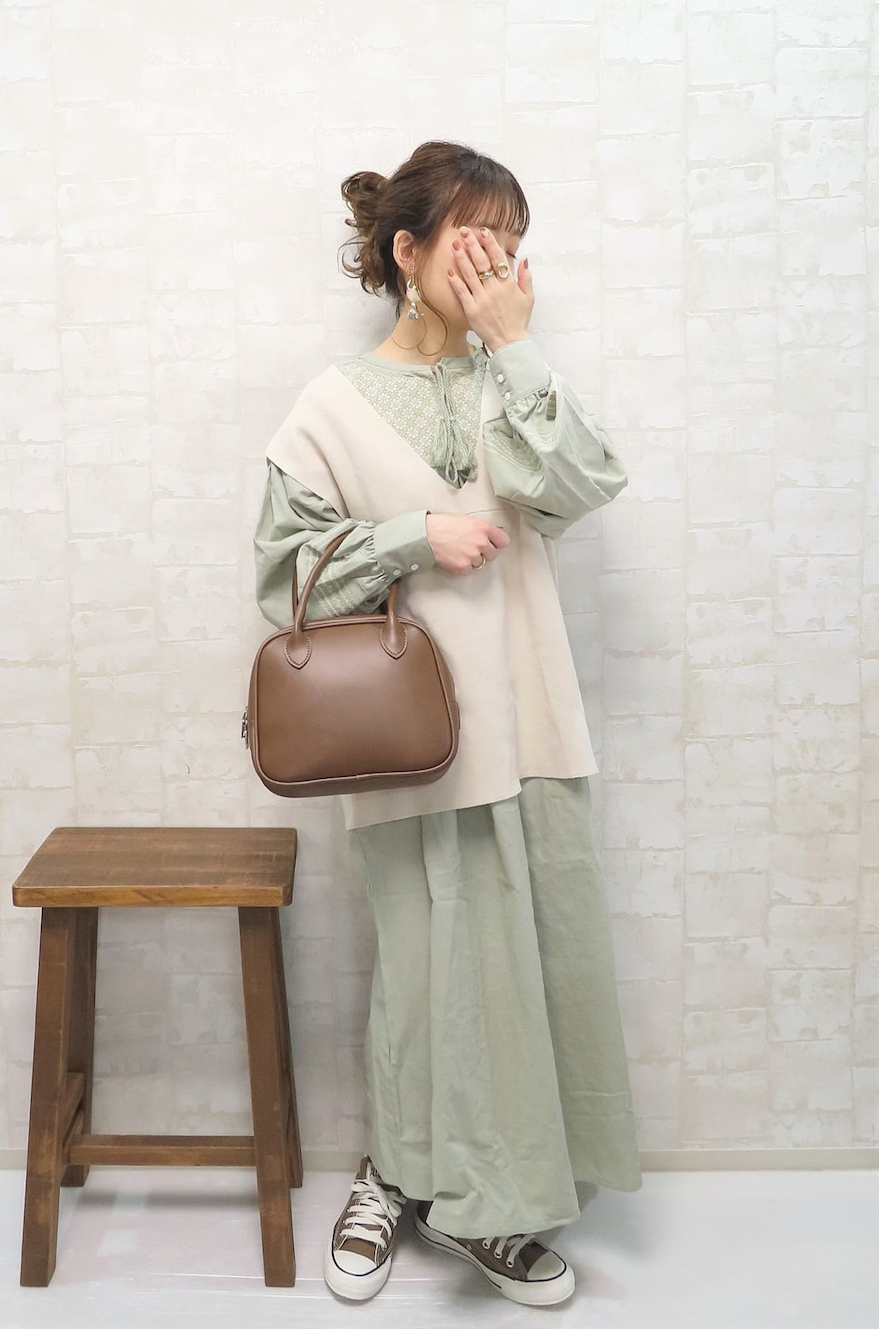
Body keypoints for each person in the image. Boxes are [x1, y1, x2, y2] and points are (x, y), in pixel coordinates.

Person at [252, 140, 642, 1308]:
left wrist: (515, 346)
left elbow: (582, 482)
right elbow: (284, 579)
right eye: (478, 238)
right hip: (407, 741)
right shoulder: (327, 406)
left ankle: (499, 1204)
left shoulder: (507, 383)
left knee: (530, 975)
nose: (500, 263)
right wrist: (412, 537)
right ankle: (401, 1175)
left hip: (532, 724)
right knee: (426, 980)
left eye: (513, 245)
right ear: (407, 251)